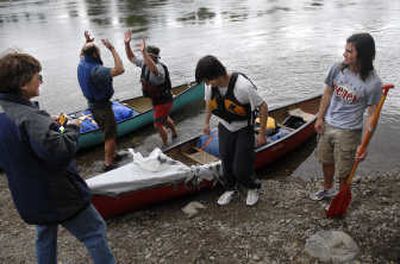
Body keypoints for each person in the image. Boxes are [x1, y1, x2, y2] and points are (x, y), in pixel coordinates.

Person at [0, 52, 115, 264]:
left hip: (30, 195)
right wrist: (72, 128)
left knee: (45, 234)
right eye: (38, 76)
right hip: (58, 195)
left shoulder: (9, 111)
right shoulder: (30, 117)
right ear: (24, 84)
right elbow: (59, 151)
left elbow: (27, 144)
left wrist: (55, 124)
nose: (40, 80)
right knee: (94, 232)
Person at [310, 33, 382, 201]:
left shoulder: (373, 83)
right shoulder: (338, 68)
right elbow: (328, 91)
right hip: (328, 123)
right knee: (326, 160)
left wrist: (364, 145)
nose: (344, 54)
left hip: (349, 131)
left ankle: (343, 197)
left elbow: (372, 116)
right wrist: (320, 118)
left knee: (344, 171)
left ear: (362, 55)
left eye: (349, 51)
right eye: (345, 49)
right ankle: (328, 189)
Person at [195, 55, 269, 206]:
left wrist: (261, 133)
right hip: (225, 126)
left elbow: (263, 106)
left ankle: (252, 187)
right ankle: (230, 188)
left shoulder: (242, 87)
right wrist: (206, 123)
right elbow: (209, 104)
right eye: (205, 81)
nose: (207, 84)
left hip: (244, 128)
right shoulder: (210, 86)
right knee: (226, 162)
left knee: (241, 167)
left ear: (218, 74)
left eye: (208, 80)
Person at [77, 31, 125, 171]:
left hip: (93, 106)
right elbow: (120, 69)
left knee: (110, 131)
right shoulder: (97, 70)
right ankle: (108, 163)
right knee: (110, 135)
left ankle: (114, 155)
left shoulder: (82, 63)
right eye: (98, 52)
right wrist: (112, 49)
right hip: (102, 108)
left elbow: (82, 53)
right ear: (95, 55)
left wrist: (87, 41)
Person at [124, 31, 177, 147]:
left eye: (147, 55)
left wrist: (144, 53)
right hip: (157, 100)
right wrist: (127, 44)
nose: (144, 57)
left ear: (153, 57)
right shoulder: (144, 63)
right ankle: (174, 133)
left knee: (157, 125)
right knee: (165, 118)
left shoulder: (159, 68)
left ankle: (166, 145)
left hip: (164, 100)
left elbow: (154, 70)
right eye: (145, 55)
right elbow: (131, 57)